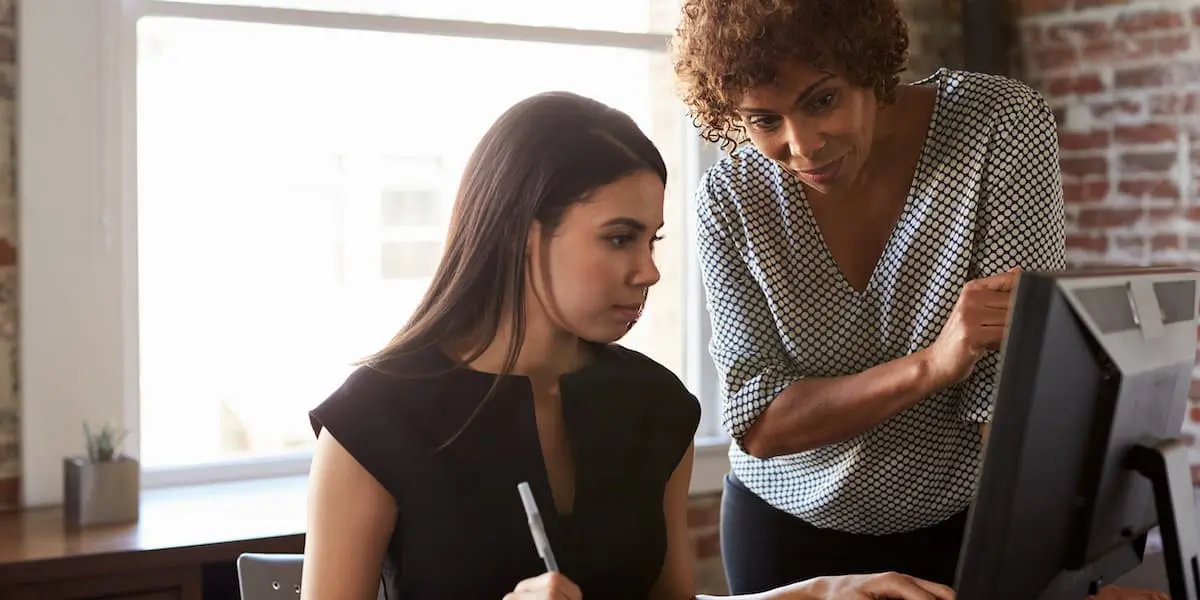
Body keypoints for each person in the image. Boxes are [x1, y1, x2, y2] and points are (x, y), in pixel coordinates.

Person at [300, 90, 955, 600]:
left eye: (652, 241)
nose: (648, 271)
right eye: (619, 238)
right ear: (523, 234)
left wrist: (817, 593)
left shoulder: (656, 406)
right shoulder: (373, 422)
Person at [669, 0, 1068, 594]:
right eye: (764, 120)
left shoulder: (997, 126)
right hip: (783, 530)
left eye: (822, 100)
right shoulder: (731, 198)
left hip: (962, 524)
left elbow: (1008, 386)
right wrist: (932, 365)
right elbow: (758, 421)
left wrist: (1047, 571)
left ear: (869, 64)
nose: (802, 145)